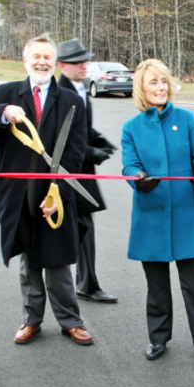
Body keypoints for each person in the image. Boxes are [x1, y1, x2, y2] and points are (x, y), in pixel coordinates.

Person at [0, 33, 94, 346]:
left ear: (56, 63)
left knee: (57, 260)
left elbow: (75, 153)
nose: (41, 62)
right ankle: (31, 320)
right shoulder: (5, 93)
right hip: (17, 192)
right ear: (25, 60)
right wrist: (2, 113)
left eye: (47, 58)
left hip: (55, 191)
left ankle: (70, 321)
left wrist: (59, 195)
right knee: (28, 260)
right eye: (35, 57)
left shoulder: (71, 101)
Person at [121, 59, 194, 366]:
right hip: (151, 216)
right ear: (141, 88)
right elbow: (129, 165)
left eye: (164, 81)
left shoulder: (187, 119)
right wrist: (137, 179)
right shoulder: (131, 128)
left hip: (189, 215)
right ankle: (158, 338)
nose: (161, 87)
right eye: (154, 82)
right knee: (157, 286)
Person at [56, 38, 118, 303]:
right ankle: (79, 286)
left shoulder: (80, 89)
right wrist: (90, 151)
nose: (84, 65)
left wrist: (98, 138)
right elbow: (60, 136)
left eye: (85, 60)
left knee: (84, 228)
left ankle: (86, 283)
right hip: (66, 173)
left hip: (82, 171)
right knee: (69, 230)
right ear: (61, 65)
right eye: (76, 62)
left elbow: (81, 128)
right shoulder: (59, 92)